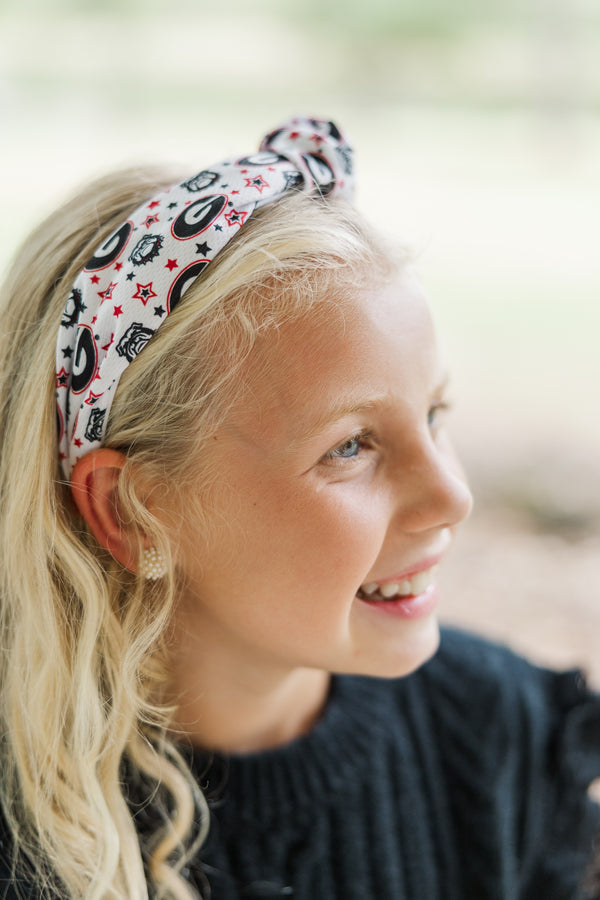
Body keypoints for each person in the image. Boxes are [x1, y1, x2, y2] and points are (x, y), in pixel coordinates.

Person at [0, 116, 598, 900]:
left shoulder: (503, 735)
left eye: (435, 414)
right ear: (133, 511)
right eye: (350, 446)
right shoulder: (25, 832)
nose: (453, 496)